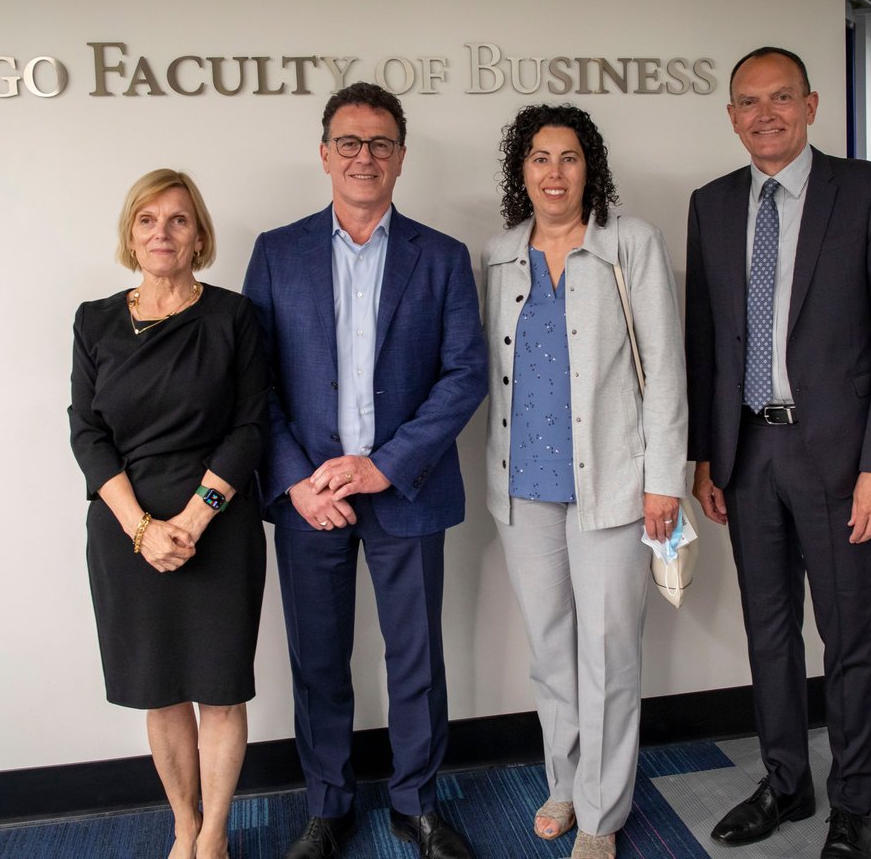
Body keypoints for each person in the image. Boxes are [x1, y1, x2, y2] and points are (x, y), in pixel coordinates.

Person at [684, 47, 871, 859]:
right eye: (748, 102)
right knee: (769, 632)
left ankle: (852, 803)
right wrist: (705, 457)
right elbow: (706, 339)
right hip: (747, 454)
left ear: (812, 105)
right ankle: (787, 782)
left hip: (842, 460)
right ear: (731, 116)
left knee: (850, 634)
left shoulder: (868, 191)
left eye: (781, 97)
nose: (765, 114)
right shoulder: (712, 204)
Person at [242, 82, 487, 859]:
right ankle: (328, 804)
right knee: (318, 662)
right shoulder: (276, 253)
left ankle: (417, 804)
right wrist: (295, 481)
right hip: (310, 500)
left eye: (380, 143)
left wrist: (386, 466)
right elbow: (256, 381)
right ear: (324, 155)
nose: (364, 157)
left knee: (415, 659)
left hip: (404, 491)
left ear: (401, 158)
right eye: (348, 142)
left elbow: (465, 374)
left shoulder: (442, 257)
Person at [482, 104, 687, 859]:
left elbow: (664, 369)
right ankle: (563, 783)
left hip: (616, 485)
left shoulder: (629, 245)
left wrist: (663, 479)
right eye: (540, 158)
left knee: (609, 652)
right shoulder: (499, 255)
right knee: (550, 648)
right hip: (523, 486)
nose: (555, 172)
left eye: (569, 158)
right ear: (522, 171)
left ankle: (602, 814)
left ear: (589, 168)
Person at [69, 168, 268, 859]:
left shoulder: (234, 316)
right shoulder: (94, 320)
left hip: (216, 521)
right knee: (159, 692)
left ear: (199, 235)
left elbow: (249, 428)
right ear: (131, 233)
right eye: (148, 220)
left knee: (218, 691)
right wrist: (143, 529)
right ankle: (181, 828)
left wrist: (191, 519)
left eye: (178, 220)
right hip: (128, 529)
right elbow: (87, 433)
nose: (162, 232)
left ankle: (214, 837)